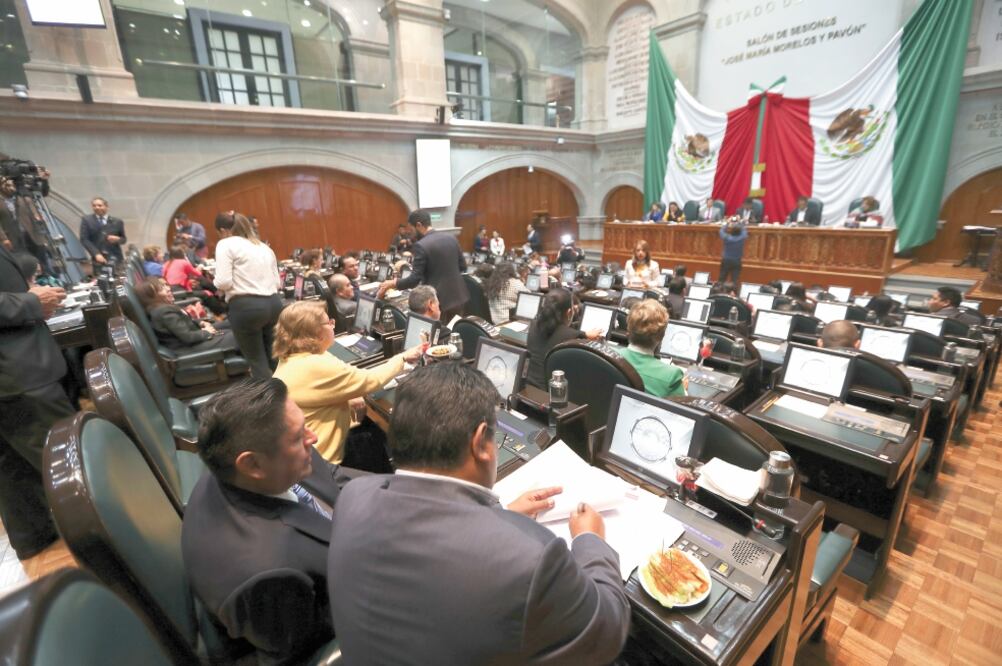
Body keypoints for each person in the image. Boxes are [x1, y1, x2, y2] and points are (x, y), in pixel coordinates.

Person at [327, 361, 631, 665]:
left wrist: (499, 516)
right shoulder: (532, 559)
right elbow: (607, 630)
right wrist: (591, 539)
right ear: (482, 443)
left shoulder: (354, 497)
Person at [182, 379, 362, 664]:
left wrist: (403, 490)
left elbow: (330, 476)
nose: (312, 437)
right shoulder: (268, 574)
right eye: (298, 436)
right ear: (252, 465)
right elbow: (305, 652)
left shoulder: (251, 459)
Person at [273, 301, 422, 466]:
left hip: (310, 451)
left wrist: (350, 394)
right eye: (329, 322)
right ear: (316, 332)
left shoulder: (294, 356)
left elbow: (336, 381)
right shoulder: (315, 365)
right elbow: (370, 381)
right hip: (324, 462)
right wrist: (402, 358)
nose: (332, 325)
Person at [0, 242, 74, 560]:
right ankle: (112, 542)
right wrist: (30, 302)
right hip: (18, 371)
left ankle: (36, 539)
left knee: (12, 468)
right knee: (67, 460)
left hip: (15, 371)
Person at [213, 212, 282, 379]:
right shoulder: (263, 246)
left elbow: (223, 282)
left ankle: (271, 403)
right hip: (274, 305)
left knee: (257, 362)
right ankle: (291, 397)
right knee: (275, 359)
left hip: (246, 307)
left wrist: (215, 282)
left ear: (224, 230)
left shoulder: (225, 244)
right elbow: (277, 283)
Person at [378, 210, 468, 321]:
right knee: (455, 332)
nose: (410, 233)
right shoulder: (451, 238)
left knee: (441, 335)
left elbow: (414, 279)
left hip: (438, 301)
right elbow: (463, 266)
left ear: (419, 225)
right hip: (459, 296)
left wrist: (393, 283)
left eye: (411, 229)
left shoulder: (421, 245)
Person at [526, 288, 603, 389]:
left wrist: (584, 334)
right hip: (549, 394)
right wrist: (584, 335)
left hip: (527, 386)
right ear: (569, 312)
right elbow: (568, 334)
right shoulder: (570, 337)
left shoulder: (533, 325)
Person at [135, 277, 234, 352]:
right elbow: (188, 337)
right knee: (238, 335)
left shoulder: (162, 308)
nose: (168, 289)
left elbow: (184, 322)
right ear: (152, 298)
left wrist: (200, 323)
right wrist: (206, 332)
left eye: (165, 286)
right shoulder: (163, 312)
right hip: (188, 348)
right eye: (161, 289)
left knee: (233, 325)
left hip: (193, 338)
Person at [619, 299, 687, 398]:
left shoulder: (608, 357)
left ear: (628, 330)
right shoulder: (672, 376)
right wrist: (683, 391)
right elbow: (681, 409)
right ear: (661, 336)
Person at [79, 196, 126, 267]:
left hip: (115, 257)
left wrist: (118, 239)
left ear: (107, 207)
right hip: (98, 259)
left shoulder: (117, 221)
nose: (97, 207)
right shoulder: (87, 220)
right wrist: (96, 254)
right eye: (94, 206)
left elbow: (124, 239)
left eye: (100, 205)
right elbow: (84, 239)